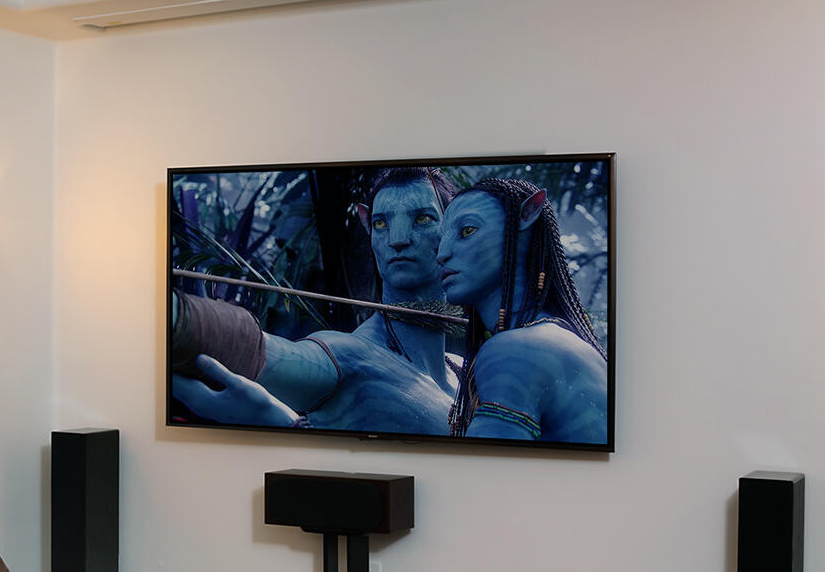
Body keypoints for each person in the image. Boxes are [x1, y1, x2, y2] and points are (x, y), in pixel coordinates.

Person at [171, 168, 459, 434]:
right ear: (366, 224)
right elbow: (268, 351)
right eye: (381, 223)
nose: (397, 239)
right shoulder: (348, 355)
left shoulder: (464, 369)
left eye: (422, 219)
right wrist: (171, 318)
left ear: (455, 226)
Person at [435, 177, 607, 443]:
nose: (442, 253)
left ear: (527, 214)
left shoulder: (515, 350)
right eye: (440, 239)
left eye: (467, 231)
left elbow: (487, 474)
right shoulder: (559, 337)